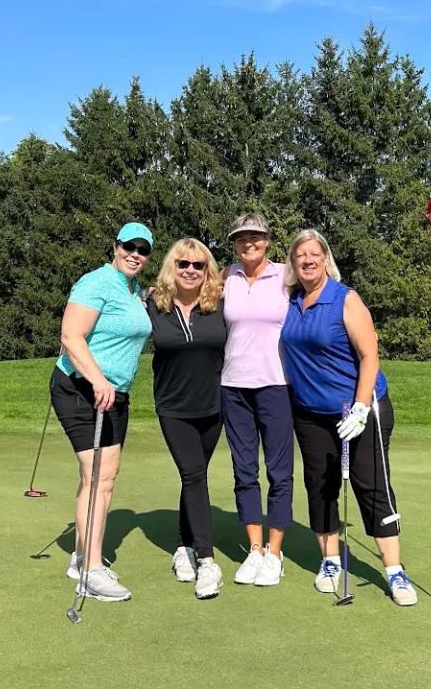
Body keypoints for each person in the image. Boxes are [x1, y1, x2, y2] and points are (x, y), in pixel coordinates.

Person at [278, 228, 418, 607]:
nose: (306, 260)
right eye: (299, 255)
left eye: (313, 254)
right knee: (319, 486)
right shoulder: (292, 300)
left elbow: (370, 355)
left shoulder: (345, 299)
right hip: (310, 413)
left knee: (371, 485)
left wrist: (359, 407)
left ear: (326, 258)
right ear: (292, 263)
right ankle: (329, 561)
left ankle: (394, 570)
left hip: (359, 409)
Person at [50, 222, 154, 604]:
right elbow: (70, 336)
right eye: (129, 246)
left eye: (143, 250)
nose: (135, 254)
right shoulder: (95, 283)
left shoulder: (132, 290)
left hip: (114, 396)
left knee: (104, 477)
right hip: (81, 389)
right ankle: (91, 569)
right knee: (96, 477)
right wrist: (97, 379)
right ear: (115, 246)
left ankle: (82, 557)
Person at [146, 238, 228, 600]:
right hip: (173, 406)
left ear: (207, 269)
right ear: (172, 267)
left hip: (214, 405)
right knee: (194, 475)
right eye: (183, 264)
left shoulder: (221, 303)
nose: (191, 270)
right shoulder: (152, 303)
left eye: (198, 265)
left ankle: (182, 546)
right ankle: (207, 561)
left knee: (192, 476)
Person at [220, 213, 294, 587]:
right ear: (234, 243)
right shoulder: (226, 277)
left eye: (256, 237)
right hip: (233, 386)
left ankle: (275, 553)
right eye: (241, 238)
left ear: (268, 240)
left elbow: (323, 284)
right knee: (244, 470)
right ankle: (255, 550)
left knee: (279, 472)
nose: (249, 244)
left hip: (276, 385)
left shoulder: (285, 275)